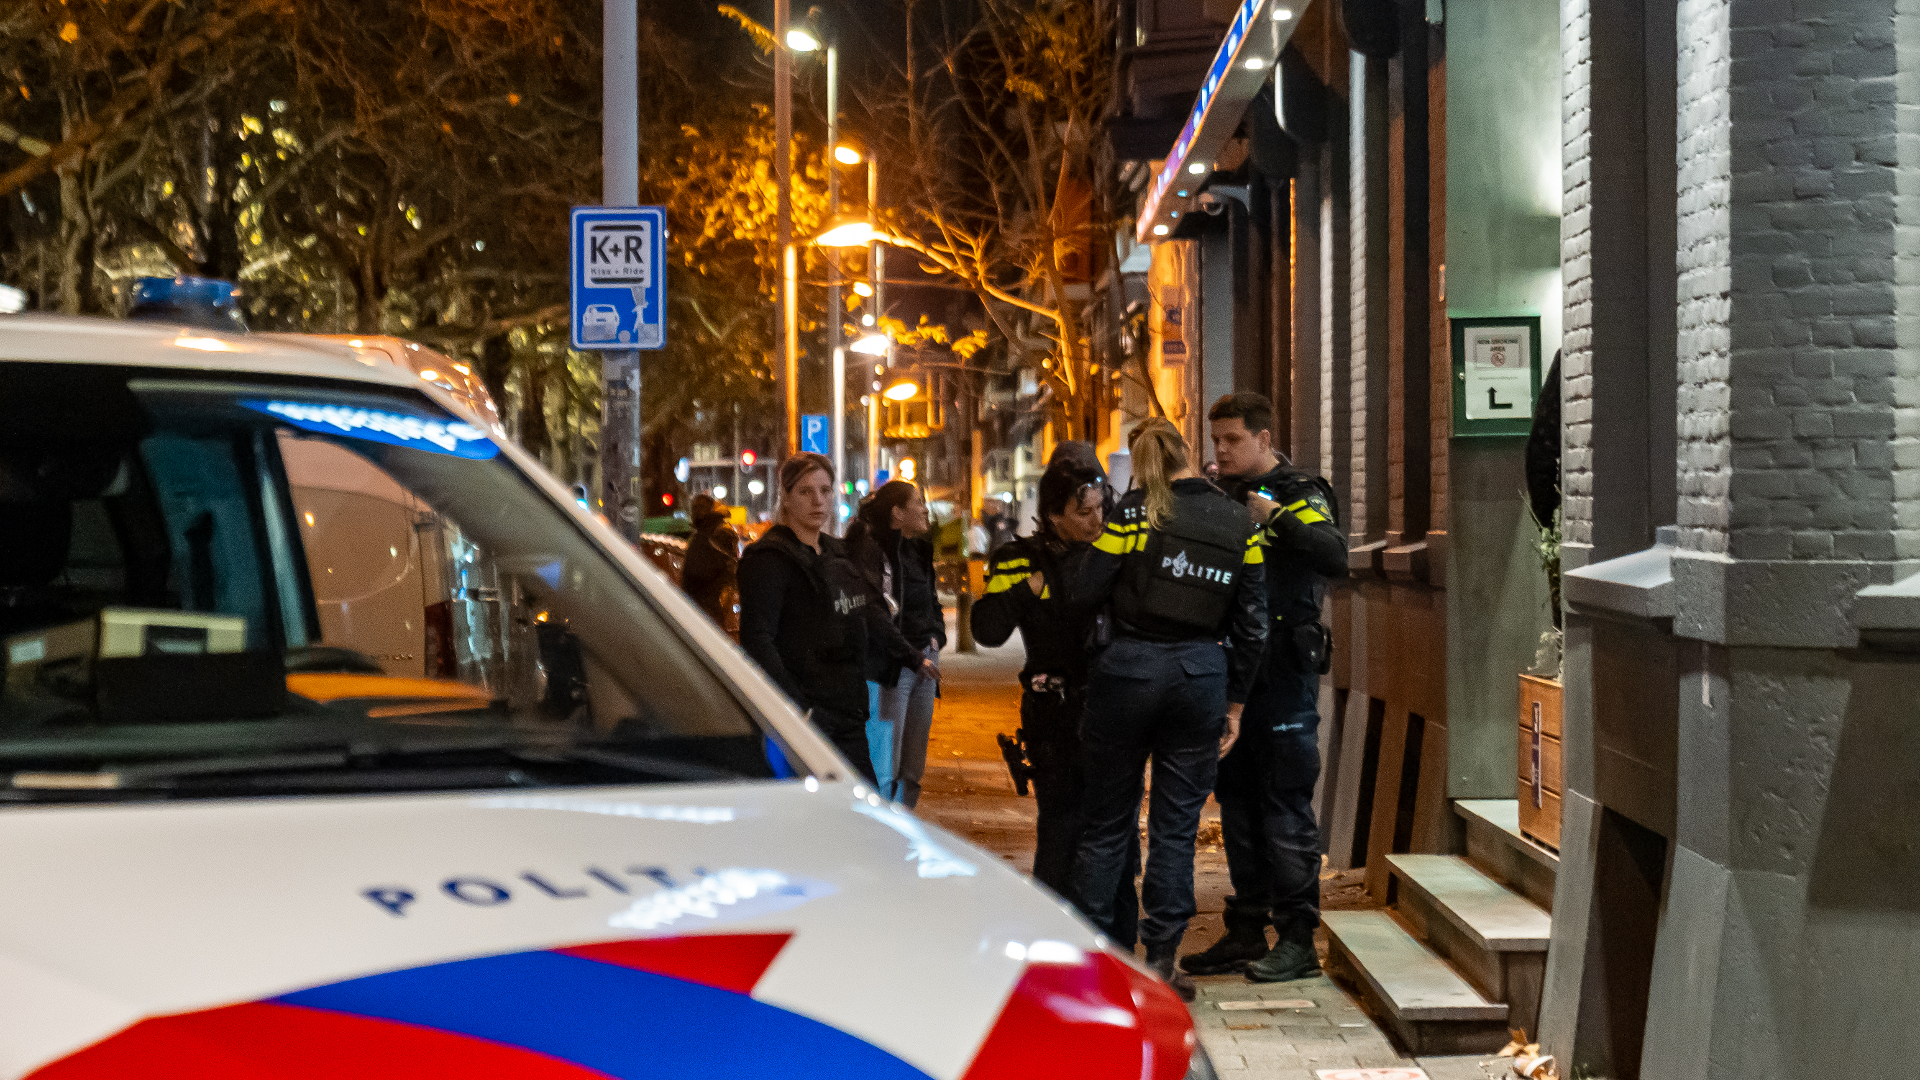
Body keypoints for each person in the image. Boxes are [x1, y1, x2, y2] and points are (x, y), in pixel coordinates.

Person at [1068, 418, 1268, 1001]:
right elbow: (1252, 623)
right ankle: (1163, 961)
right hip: (1199, 679)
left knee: (1107, 824)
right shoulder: (1238, 520)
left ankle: (1099, 962)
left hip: (1127, 676)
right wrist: (1234, 702)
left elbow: (1084, 592)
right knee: (1177, 828)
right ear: (1190, 454)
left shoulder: (1131, 514)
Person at [1183, 392, 1349, 984]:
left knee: (1283, 804)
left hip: (1283, 674)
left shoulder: (1299, 492)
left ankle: (1298, 936)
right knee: (1237, 803)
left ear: (1263, 437)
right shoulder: (1217, 497)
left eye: (1232, 440)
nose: (1221, 450)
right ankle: (1247, 926)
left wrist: (1271, 516)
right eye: (1216, 440)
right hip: (1232, 675)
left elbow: (1334, 554)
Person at [972, 443, 1139, 946]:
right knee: (1061, 829)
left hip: (1112, 708)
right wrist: (1028, 589)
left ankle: (1118, 946)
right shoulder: (1019, 559)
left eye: (1100, 510)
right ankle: (1056, 943)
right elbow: (987, 629)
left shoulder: (1114, 553)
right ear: (1053, 516)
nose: (1095, 521)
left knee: (1117, 835)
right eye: (1082, 513)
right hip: (1053, 713)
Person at [737, 454, 921, 782]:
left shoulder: (839, 553)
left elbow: (866, 612)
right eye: (806, 492)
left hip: (849, 710)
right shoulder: (768, 559)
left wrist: (909, 655)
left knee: (861, 813)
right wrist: (798, 709)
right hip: (806, 718)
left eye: (825, 490)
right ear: (787, 497)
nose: (818, 501)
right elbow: (757, 639)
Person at [844, 480, 945, 807]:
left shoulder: (917, 550)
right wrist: (910, 656)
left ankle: (904, 832)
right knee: (884, 766)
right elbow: (873, 611)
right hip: (892, 669)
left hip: (925, 665)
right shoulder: (872, 551)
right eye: (918, 502)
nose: (925, 508)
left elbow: (931, 600)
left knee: (913, 769)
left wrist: (936, 637)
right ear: (897, 512)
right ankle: (879, 839)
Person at [680, 493, 740, 630]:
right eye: (694, 507)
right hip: (710, 611)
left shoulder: (707, 537)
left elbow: (697, 571)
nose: (695, 511)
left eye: (699, 507)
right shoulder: (710, 534)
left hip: (706, 612)